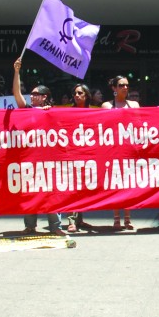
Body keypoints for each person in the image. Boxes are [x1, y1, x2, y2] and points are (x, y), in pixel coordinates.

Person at [12, 58, 65, 236]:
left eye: (36, 94)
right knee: (29, 193)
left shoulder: (53, 112)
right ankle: (30, 226)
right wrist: (17, 72)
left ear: (44, 97)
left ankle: (56, 226)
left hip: (49, 161)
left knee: (51, 194)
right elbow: (17, 95)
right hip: (29, 160)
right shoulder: (26, 109)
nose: (32, 96)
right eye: (32, 93)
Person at [102, 75, 140, 229]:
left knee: (128, 185)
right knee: (115, 184)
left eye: (127, 85)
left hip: (129, 150)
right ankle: (116, 218)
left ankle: (128, 218)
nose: (125, 87)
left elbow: (140, 125)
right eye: (121, 85)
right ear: (114, 88)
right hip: (112, 151)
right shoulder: (106, 106)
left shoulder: (135, 105)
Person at [66, 83, 96, 232]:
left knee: (83, 189)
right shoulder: (68, 112)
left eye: (80, 93)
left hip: (89, 156)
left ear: (87, 95)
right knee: (73, 189)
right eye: (75, 93)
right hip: (73, 155)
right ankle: (71, 220)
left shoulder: (94, 112)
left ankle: (80, 220)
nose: (77, 96)